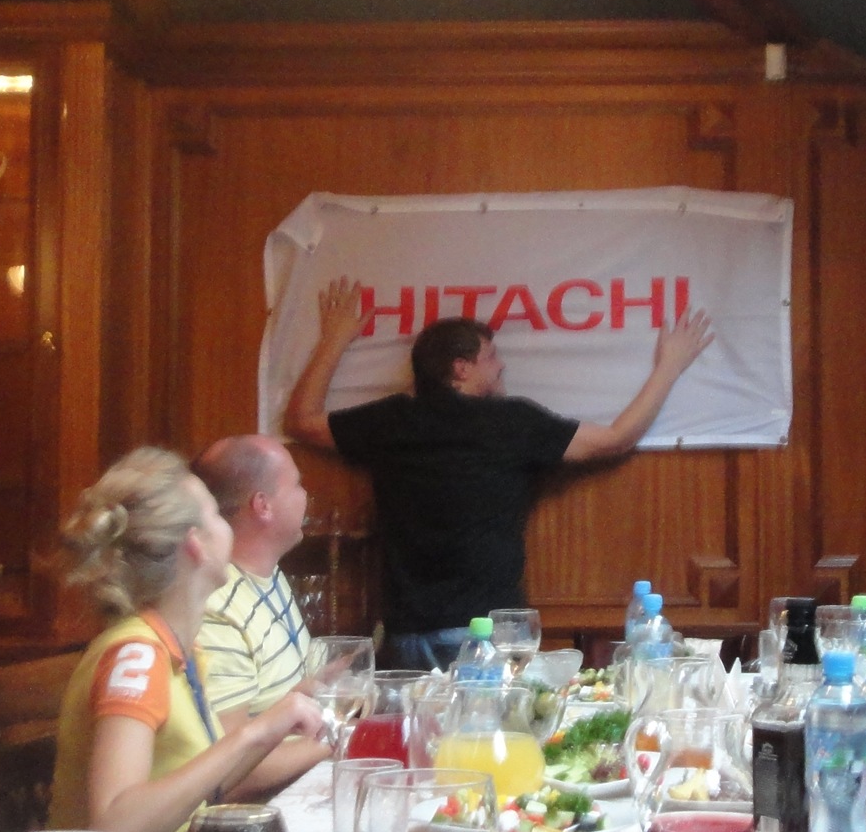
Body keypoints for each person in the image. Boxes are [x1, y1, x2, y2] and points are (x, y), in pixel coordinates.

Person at [284, 277, 714, 669]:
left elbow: (301, 419)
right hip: (485, 635)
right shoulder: (510, 422)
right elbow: (616, 439)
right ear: (461, 368)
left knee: (418, 733)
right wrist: (669, 366)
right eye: (490, 357)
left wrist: (335, 340)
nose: (501, 366)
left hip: (406, 633)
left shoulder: (389, 421)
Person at [49, 447, 330, 832]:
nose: (227, 523)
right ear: (196, 544)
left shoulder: (180, 649)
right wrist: (253, 734)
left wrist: (278, 724)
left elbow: (208, 784)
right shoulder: (138, 655)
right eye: (216, 514)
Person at [193, 434, 318, 727]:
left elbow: (275, 707)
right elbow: (233, 750)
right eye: (297, 484)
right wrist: (346, 737)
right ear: (263, 505)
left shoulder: (268, 574)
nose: (305, 495)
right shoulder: (216, 607)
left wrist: (328, 685)